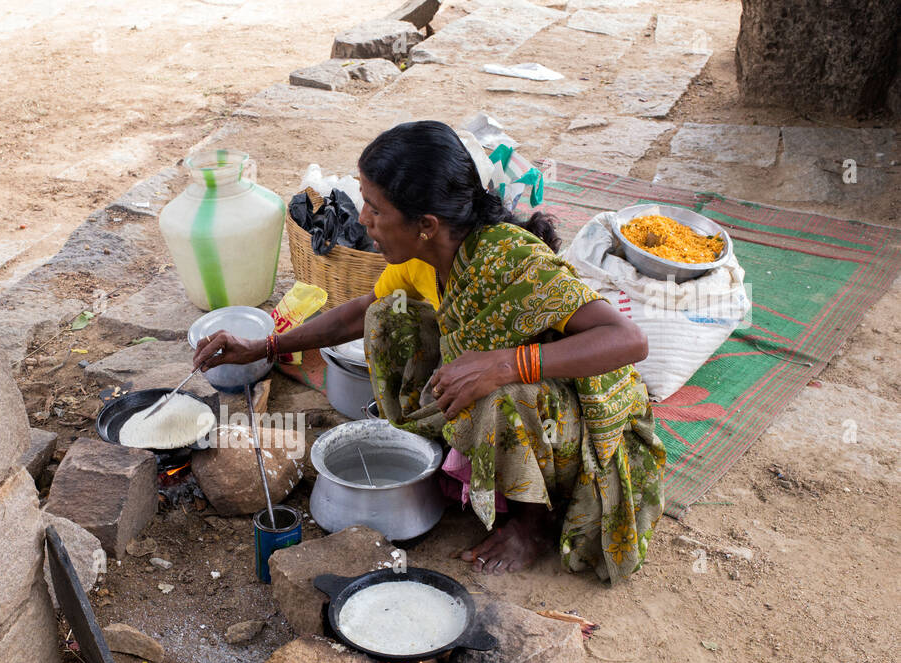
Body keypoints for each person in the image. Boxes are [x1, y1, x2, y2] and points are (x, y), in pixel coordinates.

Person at [193, 120, 665, 583]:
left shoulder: (507, 259)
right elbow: (359, 313)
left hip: (573, 415)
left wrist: (505, 364)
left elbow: (628, 341)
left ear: (425, 225)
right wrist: (264, 346)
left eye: (375, 210)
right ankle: (446, 445)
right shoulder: (424, 257)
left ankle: (530, 523)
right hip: (516, 391)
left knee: (497, 393)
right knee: (389, 318)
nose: (361, 221)